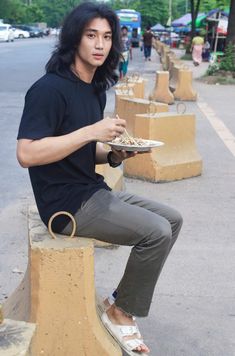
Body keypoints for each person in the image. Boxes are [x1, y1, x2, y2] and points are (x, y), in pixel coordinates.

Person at [16, 2, 183, 355]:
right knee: (156, 232)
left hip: (92, 190)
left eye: (107, 37)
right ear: (74, 39)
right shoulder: (49, 89)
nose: (99, 44)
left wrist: (113, 154)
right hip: (66, 206)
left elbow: (77, 149)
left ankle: (119, 299)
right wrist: (93, 130)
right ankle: (121, 312)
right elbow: (27, 154)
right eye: (91, 35)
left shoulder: (93, 88)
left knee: (173, 219)